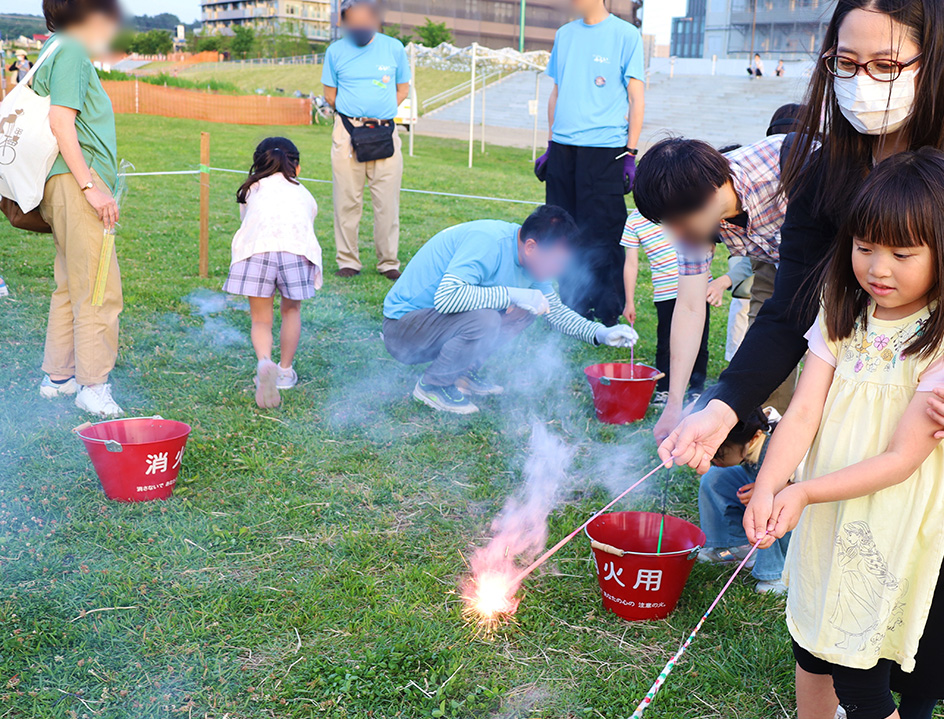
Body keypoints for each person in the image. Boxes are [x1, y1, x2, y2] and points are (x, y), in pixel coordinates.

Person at [658, 0, 944, 719]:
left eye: (886, 65)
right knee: (845, 552)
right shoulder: (829, 163)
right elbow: (796, 307)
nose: (863, 83)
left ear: (936, 55)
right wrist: (725, 403)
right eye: (845, 65)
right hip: (858, 390)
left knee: (942, 565)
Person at [740, 149, 944, 719]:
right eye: (864, 246)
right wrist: (769, 483)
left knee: (860, 673)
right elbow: (801, 414)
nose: (877, 266)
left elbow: (900, 460)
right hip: (821, 512)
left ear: (943, 252)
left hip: (879, 529)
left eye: (901, 251)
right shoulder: (841, 315)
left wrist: (801, 492)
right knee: (809, 638)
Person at [381, 206, 639, 414]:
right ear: (531, 247)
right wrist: (511, 294)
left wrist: (601, 333)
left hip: (433, 328)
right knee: (487, 318)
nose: (560, 271)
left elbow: (555, 311)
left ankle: (462, 372)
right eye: (558, 262)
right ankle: (433, 385)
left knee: (529, 307)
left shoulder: (533, 264)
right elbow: (448, 298)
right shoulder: (488, 242)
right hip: (403, 330)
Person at [632, 133, 791, 428]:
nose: (676, 235)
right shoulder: (694, 224)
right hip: (781, 266)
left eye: (679, 222)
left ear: (711, 195)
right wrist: (675, 404)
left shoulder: (786, 167)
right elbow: (690, 306)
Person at [31, 0, 126, 417]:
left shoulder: (53, 47)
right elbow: (60, 120)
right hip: (75, 181)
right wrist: (91, 186)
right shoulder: (70, 49)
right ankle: (93, 385)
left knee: (71, 283)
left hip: (60, 183)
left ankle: (59, 376)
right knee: (99, 287)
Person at [534, 0, 644, 326]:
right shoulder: (564, 34)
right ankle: (572, 304)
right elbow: (556, 92)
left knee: (604, 232)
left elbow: (637, 97)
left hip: (605, 148)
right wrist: (551, 143)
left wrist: (630, 154)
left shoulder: (626, 35)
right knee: (563, 229)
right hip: (565, 149)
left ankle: (607, 309)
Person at [224, 137, 323, 410]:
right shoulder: (304, 192)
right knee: (291, 312)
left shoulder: (251, 189)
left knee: (261, 320)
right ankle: (285, 371)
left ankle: (264, 361)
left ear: (258, 163)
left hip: (257, 252)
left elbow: (248, 221)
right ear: (297, 167)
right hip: (296, 252)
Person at [322, 0, 410, 280]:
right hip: (347, 132)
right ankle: (348, 260)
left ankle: (389, 262)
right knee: (347, 200)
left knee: (387, 203)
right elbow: (330, 94)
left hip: (384, 132)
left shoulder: (394, 48)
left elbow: (402, 89)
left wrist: (377, 115)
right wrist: (355, 117)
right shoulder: (335, 51)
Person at [620, 208, 722, 406]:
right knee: (666, 342)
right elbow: (631, 264)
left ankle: (696, 389)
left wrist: (707, 273)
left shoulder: (681, 209)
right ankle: (664, 388)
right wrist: (629, 302)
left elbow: (709, 241)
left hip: (696, 286)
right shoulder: (634, 222)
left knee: (700, 340)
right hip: (666, 292)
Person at [697, 406, 788, 594]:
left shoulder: (781, 442)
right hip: (765, 485)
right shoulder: (749, 440)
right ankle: (738, 547)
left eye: (720, 452)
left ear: (754, 438)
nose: (713, 457)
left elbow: (811, 480)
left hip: (798, 505)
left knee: (768, 505)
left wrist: (768, 489)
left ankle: (777, 574)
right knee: (714, 478)